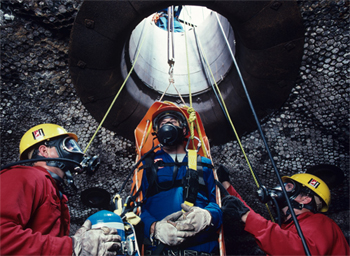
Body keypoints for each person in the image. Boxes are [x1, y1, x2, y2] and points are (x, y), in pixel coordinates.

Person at [0, 123, 121, 255]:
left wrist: (76, 243)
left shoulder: (53, 191)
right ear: (44, 151)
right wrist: (71, 247)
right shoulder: (23, 176)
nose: (75, 151)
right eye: (68, 145)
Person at [137, 107, 222, 255]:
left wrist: (207, 216)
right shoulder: (146, 166)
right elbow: (137, 208)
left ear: (183, 130)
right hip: (160, 249)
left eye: (172, 122)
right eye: (163, 124)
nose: (167, 126)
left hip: (202, 249)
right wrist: (154, 228)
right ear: (157, 133)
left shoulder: (204, 164)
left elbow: (219, 203)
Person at [218, 165, 350, 255]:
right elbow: (272, 234)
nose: (280, 188)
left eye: (288, 186)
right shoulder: (288, 229)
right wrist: (225, 185)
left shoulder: (321, 222)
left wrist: (246, 216)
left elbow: (300, 251)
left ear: (305, 199)